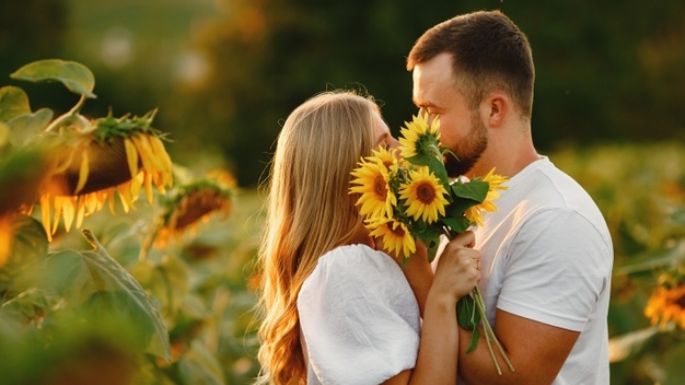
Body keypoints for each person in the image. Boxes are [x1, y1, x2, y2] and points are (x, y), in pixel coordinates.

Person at [404, 10, 614, 385]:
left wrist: (421, 278)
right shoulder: (455, 199)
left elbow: (514, 379)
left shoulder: (557, 219)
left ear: (494, 109)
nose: (423, 129)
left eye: (432, 111)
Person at [255, 91, 481, 385]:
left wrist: (419, 271)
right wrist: (442, 296)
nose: (401, 151)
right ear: (347, 174)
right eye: (385, 145)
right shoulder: (344, 272)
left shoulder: (369, 262)